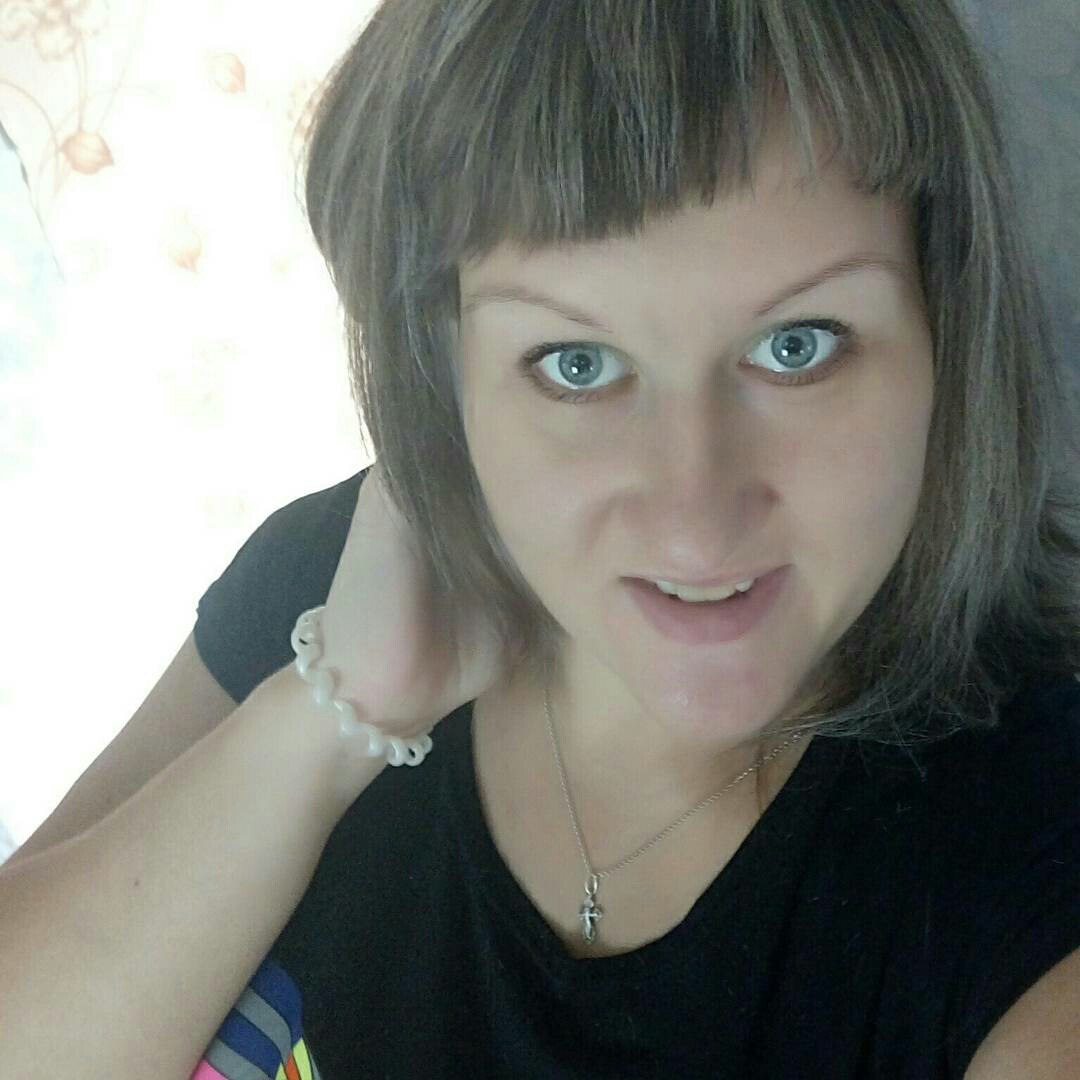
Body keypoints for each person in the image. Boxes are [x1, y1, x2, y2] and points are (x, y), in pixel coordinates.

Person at [2, 1, 1079, 1077]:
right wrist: (343, 711)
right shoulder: (329, 593)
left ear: (946, 331)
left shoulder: (1033, 827)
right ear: (444, 366)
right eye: (578, 364)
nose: (693, 517)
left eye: (797, 345)